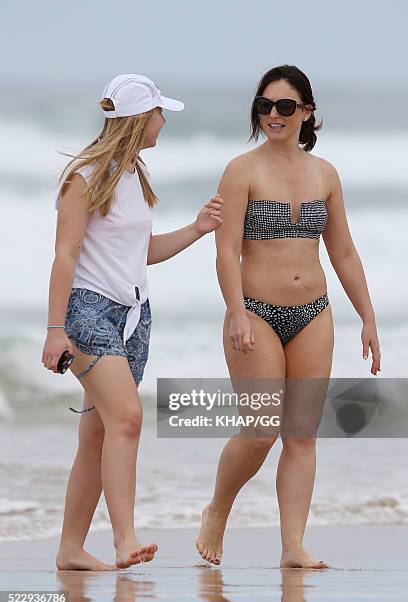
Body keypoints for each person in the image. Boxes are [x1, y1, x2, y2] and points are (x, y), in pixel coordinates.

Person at [196, 64, 381, 568]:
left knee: (301, 434)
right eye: (265, 106)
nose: (273, 116)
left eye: (284, 106)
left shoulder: (325, 174)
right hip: (254, 311)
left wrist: (367, 316)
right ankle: (218, 510)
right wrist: (235, 310)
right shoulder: (242, 169)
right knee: (261, 429)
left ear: (307, 112)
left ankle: (292, 546)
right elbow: (225, 248)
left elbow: (343, 251)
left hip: (314, 313)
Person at [41, 74, 223, 571]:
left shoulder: (132, 175)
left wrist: (198, 228)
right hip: (88, 311)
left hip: (133, 316)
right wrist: (55, 330)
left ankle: (70, 549)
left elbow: (141, 254)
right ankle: (125, 539)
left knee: (97, 434)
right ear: (141, 118)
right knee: (128, 419)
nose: (164, 121)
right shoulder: (85, 176)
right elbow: (65, 255)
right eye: (160, 113)